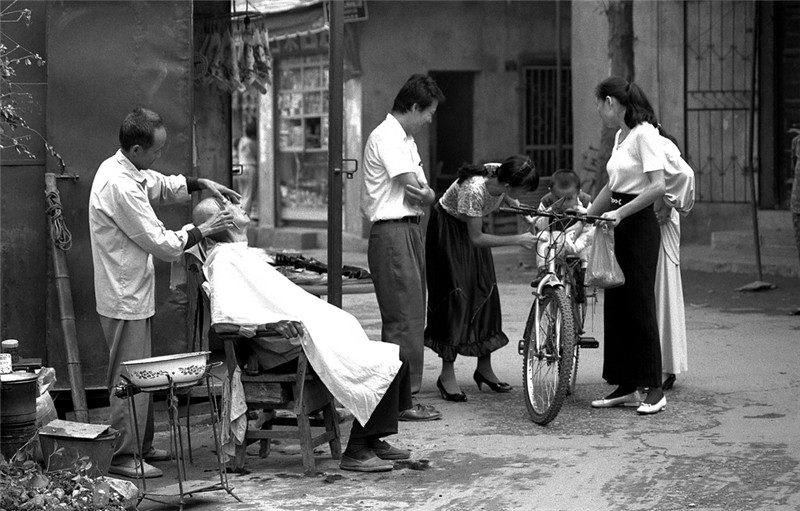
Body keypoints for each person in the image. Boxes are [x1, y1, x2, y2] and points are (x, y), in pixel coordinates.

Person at [192, 198, 411, 473]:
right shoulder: (224, 260)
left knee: (396, 358)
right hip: (282, 349)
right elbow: (223, 324)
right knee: (390, 361)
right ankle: (357, 449)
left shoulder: (240, 253)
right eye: (228, 204)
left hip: (297, 340)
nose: (239, 204)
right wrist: (272, 325)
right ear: (222, 220)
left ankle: (373, 437)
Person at [89, 107, 241, 478]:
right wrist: (205, 228)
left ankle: (140, 445)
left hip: (133, 290)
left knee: (140, 372)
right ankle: (123, 455)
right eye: (156, 151)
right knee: (127, 376)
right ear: (136, 149)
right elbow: (163, 244)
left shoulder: (130, 169)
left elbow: (160, 184)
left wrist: (202, 183)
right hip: (123, 294)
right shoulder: (119, 185)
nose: (159, 157)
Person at [361, 74, 445, 421]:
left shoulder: (405, 138)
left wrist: (428, 195)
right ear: (413, 107)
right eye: (428, 113)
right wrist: (428, 195)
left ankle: (403, 395)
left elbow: (425, 191)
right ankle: (402, 399)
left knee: (411, 314)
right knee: (403, 319)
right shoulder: (387, 136)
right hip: (393, 231)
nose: (429, 120)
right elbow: (416, 188)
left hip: (407, 230)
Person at [424, 157, 539, 401]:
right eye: (523, 190)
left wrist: (522, 212)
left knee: (486, 290)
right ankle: (446, 374)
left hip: (470, 227)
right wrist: (518, 239)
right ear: (507, 185)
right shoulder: (473, 190)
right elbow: (476, 239)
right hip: (448, 230)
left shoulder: (499, 173)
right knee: (456, 295)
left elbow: (507, 197)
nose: (524, 194)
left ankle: (484, 368)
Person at [586, 77, 668, 415]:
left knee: (639, 304)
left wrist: (620, 213)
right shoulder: (623, 136)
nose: (598, 111)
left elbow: (658, 186)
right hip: (616, 223)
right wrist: (586, 215)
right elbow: (613, 185)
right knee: (618, 305)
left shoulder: (645, 133)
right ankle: (626, 384)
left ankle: (655, 388)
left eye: (598, 104)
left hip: (637, 226)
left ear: (610, 102)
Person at [533, 169, 595, 288]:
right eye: (557, 198)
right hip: (555, 236)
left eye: (568, 199)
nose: (563, 203)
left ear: (578, 193)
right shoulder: (546, 202)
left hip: (578, 236)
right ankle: (543, 270)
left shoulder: (585, 201)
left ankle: (585, 269)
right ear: (550, 192)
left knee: (591, 237)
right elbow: (540, 226)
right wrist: (549, 212)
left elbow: (591, 224)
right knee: (542, 238)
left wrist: (582, 213)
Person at [235, 119, 258, 216]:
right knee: (248, 195)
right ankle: (244, 216)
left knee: (242, 195)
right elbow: (257, 154)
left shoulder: (241, 140)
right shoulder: (251, 142)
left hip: (240, 168)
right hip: (249, 167)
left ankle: (238, 214)